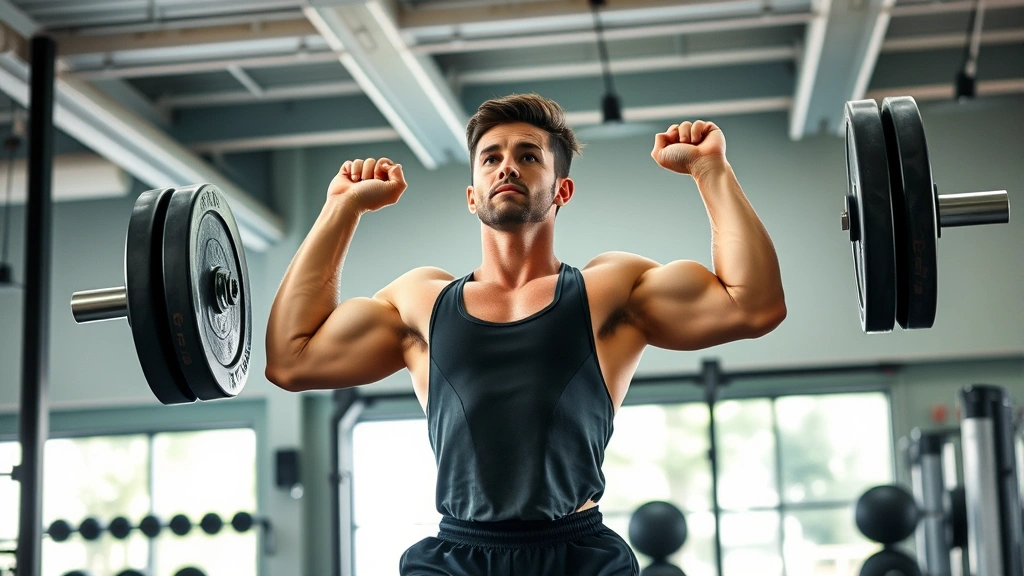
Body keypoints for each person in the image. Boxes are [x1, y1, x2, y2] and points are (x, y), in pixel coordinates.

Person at [265, 93, 786, 575]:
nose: (506, 165)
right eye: (490, 157)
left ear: (562, 189)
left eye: (529, 155)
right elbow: (291, 360)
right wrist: (341, 209)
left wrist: (710, 170)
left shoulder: (610, 290)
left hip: (577, 555)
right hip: (457, 558)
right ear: (472, 196)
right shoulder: (421, 301)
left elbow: (754, 305)